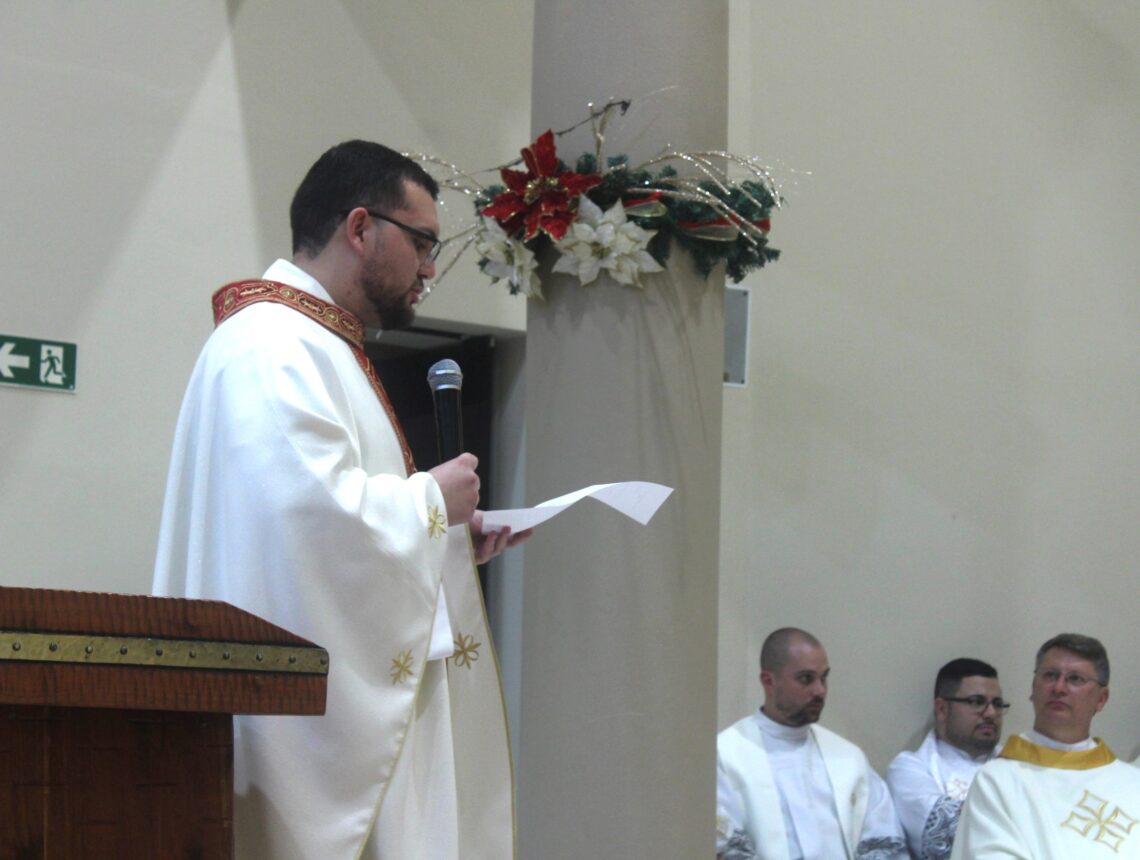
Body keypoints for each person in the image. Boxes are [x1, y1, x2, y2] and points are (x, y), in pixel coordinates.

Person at [153, 140, 528, 860]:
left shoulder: (313, 343)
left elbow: (334, 516)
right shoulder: (273, 344)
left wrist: (447, 535)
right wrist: (428, 502)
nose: (428, 269)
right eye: (422, 243)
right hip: (289, 735)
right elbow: (305, 524)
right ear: (360, 228)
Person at [716, 627, 908, 859]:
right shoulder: (725, 754)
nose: (820, 690)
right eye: (806, 679)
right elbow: (725, 848)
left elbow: (883, 840)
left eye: (824, 677)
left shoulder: (848, 757)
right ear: (769, 681)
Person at [950, 633, 1140, 859]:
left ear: (1102, 699)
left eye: (1075, 679)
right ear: (1033, 687)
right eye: (1050, 675)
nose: (1059, 687)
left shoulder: (1133, 782)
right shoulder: (997, 780)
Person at [886, 658, 1006, 859]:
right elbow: (950, 837)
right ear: (942, 709)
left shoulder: (1017, 764)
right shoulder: (910, 769)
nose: (991, 713)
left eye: (997, 703)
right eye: (977, 702)